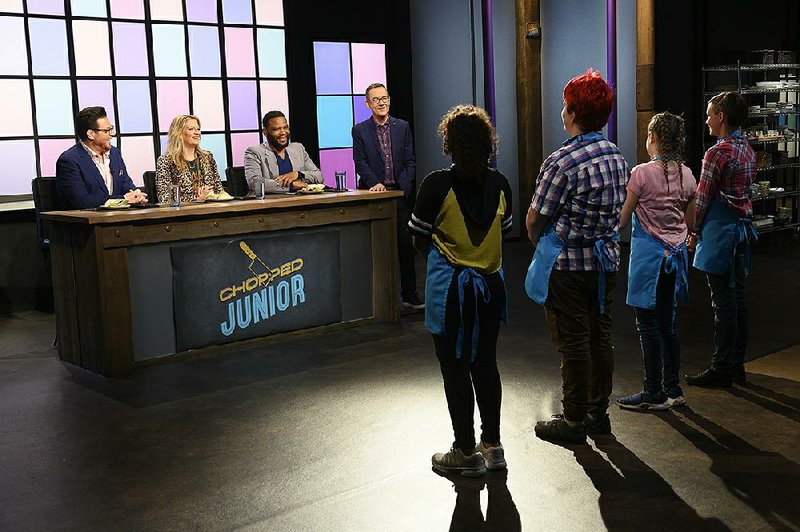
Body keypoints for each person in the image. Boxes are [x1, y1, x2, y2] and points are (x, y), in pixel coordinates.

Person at [409, 105, 513, 477]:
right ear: (488, 144)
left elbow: (418, 238)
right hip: (490, 289)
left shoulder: (437, 185)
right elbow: (506, 228)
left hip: (450, 292)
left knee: (454, 369)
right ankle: (493, 445)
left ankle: (465, 451)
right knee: (486, 363)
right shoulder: (501, 184)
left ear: (448, 143)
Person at [525, 69, 628, 444]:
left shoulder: (561, 161)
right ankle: (598, 415)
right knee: (600, 337)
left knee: (574, 342)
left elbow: (535, 218)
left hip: (568, 266)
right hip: (605, 263)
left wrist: (542, 243)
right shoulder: (615, 155)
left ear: (571, 111)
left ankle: (572, 421)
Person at [616, 112, 696, 411]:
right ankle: (673, 388)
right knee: (668, 324)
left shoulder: (641, 173)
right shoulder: (687, 174)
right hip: (675, 259)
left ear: (653, 138)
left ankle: (652, 392)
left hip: (650, 260)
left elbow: (623, 219)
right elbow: (690, 221)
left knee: (647, 325)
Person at [685, 91, 756, 388]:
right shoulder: (748, 149)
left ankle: (721, 367)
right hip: (741, 232)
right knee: (737, 300)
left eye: (710, 114)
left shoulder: (717, 153)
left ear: (722, 117)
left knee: (723, 303)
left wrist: (693, 230)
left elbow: (702, 198)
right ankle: (736, 364)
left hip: (719, 232)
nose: (706, 119)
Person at [352, 83, 423, 310]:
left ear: (389, 100)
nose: (381, 103)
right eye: (376, 99)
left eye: (384, 98)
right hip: (373, 195)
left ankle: (410, 295)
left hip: (399, 194)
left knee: (405, 246)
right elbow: (360, 161)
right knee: (375, 247)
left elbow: (411, 160)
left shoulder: (402, 126)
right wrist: (375, 183)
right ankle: (375, 299)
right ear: (367, 104)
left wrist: (402, 186)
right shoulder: (360, 130)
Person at [56, 106, 147, 209]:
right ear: (91, 134)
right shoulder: (69, 161)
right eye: (107, 131)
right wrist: (123, 199)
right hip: (87, 222)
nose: (112, 135)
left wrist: (136, 194)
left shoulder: (114, 153)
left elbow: (126, 184)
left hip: (119, 220)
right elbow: (82, 201)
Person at [244, 111, 323, 195]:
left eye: (285, 127)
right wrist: (291, 185)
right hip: (270, 204)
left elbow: (318, 176)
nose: (283, 132)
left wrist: (298, 174)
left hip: (301, 201)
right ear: (265, 132)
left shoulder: (298, 148)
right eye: (276, 129)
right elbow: (255, 183)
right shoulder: (254, 152)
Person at [155, 115, 225, 203]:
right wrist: (198, 200)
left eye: (198, 129)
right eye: (191, 129)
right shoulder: (166, 161)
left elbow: (219, 191)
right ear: (179, 132)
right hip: (184, 214)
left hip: (213, 209)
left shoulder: (207, 157)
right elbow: (165, 200)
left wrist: (214, 196)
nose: (197, 132)